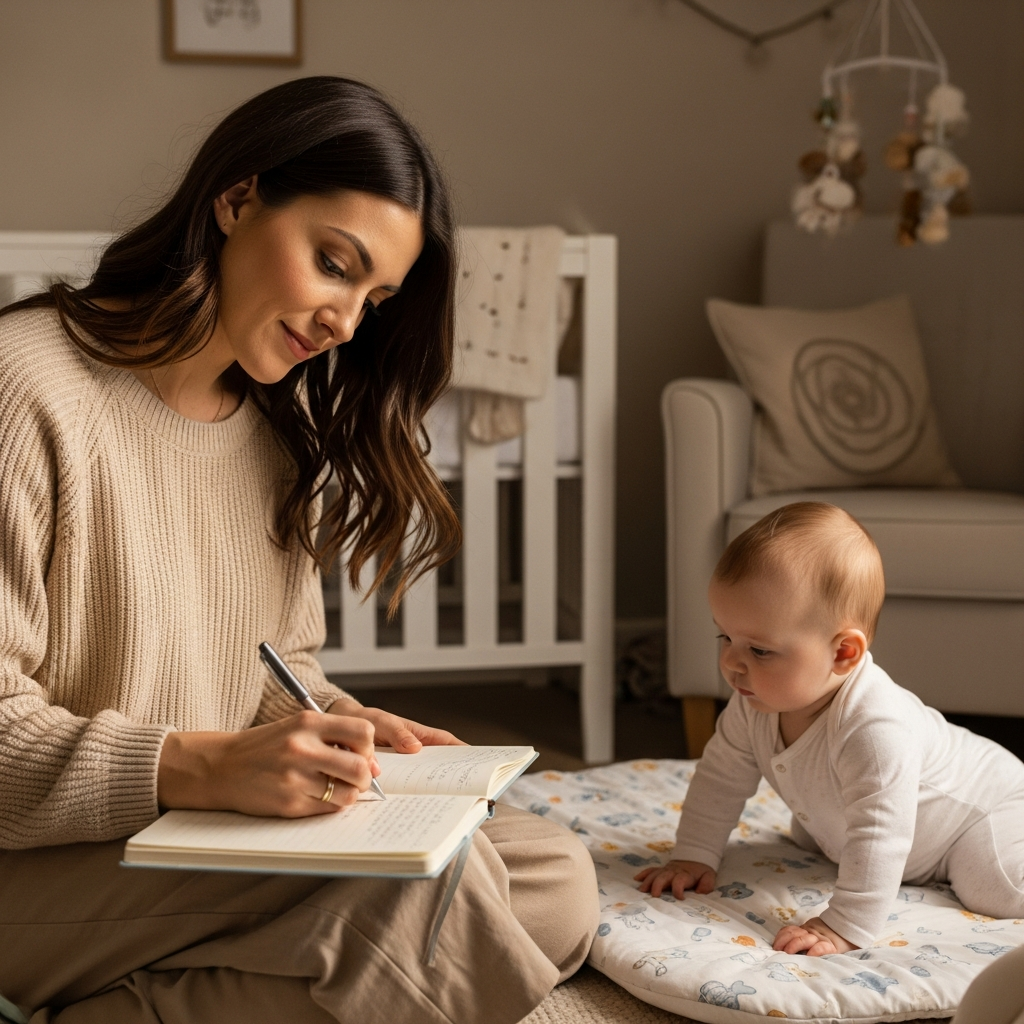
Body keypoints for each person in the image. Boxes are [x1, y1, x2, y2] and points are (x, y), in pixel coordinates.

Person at [0, 76, 597, 1024]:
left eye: (373, 297)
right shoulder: (26, 387)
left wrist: (346, 727)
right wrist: (198, 768)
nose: (345, 322)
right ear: (237, 199)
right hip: (36, 863)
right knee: (436, 901)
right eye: (333, 264)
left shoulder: (271, 434)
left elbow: (279, 670)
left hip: (196, 834)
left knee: (552, 875)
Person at [636, 501, 1024, 956]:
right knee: (813, 837)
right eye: (725, 637)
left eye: (759, 650)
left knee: (993, 888)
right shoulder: (754, 704)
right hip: (898, 836)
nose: (732, 663)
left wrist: (843, 924)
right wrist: (693, 854)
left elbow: (881, 833)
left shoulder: (874, 728)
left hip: (977, 814)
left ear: (842, 653)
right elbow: (720, 779)